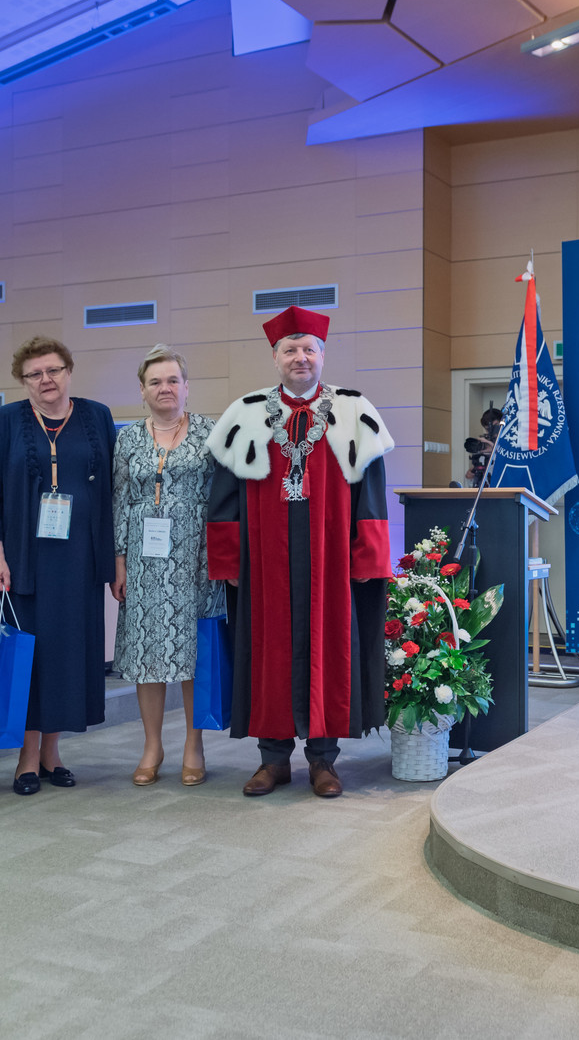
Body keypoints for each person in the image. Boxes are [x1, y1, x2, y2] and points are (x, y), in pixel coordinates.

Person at [205, 305, 393, 799]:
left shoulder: (353, 411)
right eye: (290, 350)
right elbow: (222, 497)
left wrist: (367, 557)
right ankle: (273, 760)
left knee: (329, 648)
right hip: (265, 560)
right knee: (267, 651)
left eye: (309, 349)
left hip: (330, 559)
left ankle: (323, 759)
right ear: (275, 357)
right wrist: (228, 560)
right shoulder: (246, 413)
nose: (300, 357)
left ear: (323, 355)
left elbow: (372, 493)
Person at [0, 337, 115, 796]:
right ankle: (26, 757)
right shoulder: (5, 420)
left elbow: (113, 490)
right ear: (23, 381)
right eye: (34, 374)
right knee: (30, 657)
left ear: (69, 371)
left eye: (53, 370)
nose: (46, 380)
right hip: (25, 559)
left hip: (79, 559)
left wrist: (114, 559)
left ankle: (52, 754)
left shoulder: (96, 416)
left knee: (66, 655)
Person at [111, 344, 223, 787]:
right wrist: (119, 561)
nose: (165, 388)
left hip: (198, 558)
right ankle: (152, 745)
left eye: (173, 380)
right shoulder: (127, 439)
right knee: (147, 652)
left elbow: (224, 499)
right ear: (142, 390)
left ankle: (194, 744)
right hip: (144, 561)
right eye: (155, 381)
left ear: (186, 387)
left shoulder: (210, 433)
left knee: (195, 652)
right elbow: (119, 500)